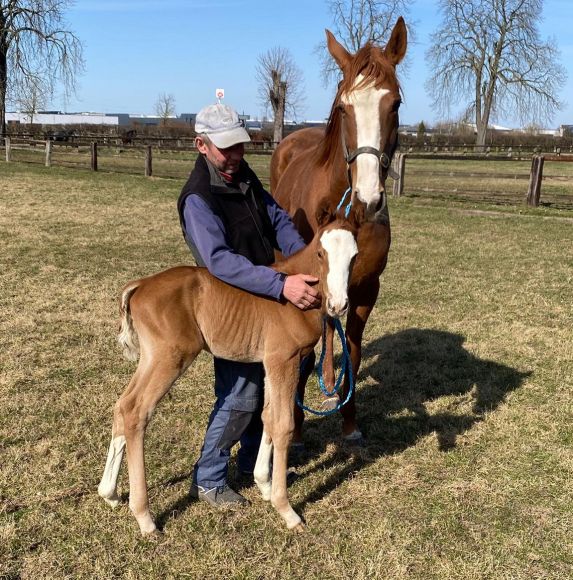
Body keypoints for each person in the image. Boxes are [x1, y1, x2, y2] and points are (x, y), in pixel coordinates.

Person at [177, 103, 320, 507]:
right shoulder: (197, 199)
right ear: (201, 145)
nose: (237, 154)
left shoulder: (243, 176)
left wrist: (304, 261)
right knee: (240, 393)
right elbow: (218, 260)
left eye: (241, 145)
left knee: (270, 385)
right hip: (233, 304)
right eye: (227, 148)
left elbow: (277, 219)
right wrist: (281, 283)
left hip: (270, 292)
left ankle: (252, 461)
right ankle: (208, 477)